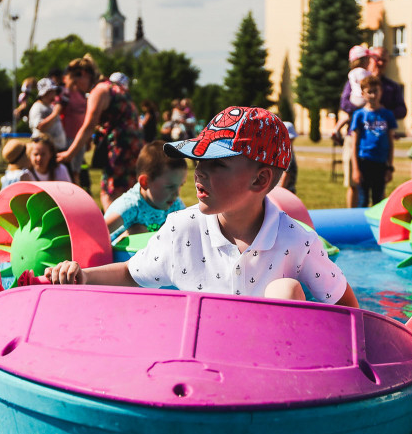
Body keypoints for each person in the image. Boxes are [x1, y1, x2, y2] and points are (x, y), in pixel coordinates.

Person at [45, 106, 359, 308]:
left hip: (269, 375)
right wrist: (83, 276)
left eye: (216, 164)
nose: (199, 172)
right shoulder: (182, 228)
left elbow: (345, 305)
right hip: (199, 370)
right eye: (198, 160)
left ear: (260, 180)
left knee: (286, 290)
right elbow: (131, 272)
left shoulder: (297, 241)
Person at [57, 55, 144, 209]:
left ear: (84, 74)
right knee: (129, 192)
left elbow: (88, 126)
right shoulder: (114, 87)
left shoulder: (99, 91)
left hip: (120, 146)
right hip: (134, 146)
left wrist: (69, 154)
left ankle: (115, 231)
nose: (77, 88)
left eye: (76, 83)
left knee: (109, 193)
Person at [337, 45, 408, 207]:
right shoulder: (357, 80)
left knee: (378, 187)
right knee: (354, 184)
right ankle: (351, 221)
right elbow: (345, 104)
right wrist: (367, 107)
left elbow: (402, 110)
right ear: (370, 59)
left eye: (384, 59)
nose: (380, 62)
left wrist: (380, 110)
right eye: (377, 58)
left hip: (378, 141)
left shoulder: (391, 86)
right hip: (355, 139)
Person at [104, 140, 187, 238]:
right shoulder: (131, 206)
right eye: (170, 187)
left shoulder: (175, 204)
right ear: (145, 182)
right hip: (119, 251)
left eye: (180, 185)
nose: (176, 193)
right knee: (138, 230)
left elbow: (191, 228)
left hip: (151, 250)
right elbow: (96, 233)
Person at [349, 75, 397, 207]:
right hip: (364, 161)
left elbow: (391, 143)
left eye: (376, 91)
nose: (373, 95)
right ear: (363, 94)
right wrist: (356, 169)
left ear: (380, 92)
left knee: (378, 199)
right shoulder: (359, 115)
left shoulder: (387, 115)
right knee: (363, 200)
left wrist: (389, 167)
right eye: (370, 92)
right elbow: (354, 144)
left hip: (380, 163)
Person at [29, 78, 66, 151]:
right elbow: (41, 126)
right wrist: (55, 113)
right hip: (46, 151)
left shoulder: (50, 106)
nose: (54, 95)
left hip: (56, 149)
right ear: (44, 93)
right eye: (51, 92)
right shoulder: (37, 107)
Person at [275, 121, 299, 193]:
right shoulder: (286, 153)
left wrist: (280, 191)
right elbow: (285, 174)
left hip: (285, 190)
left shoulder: (287, 154)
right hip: (284, 190)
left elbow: (286, 174)